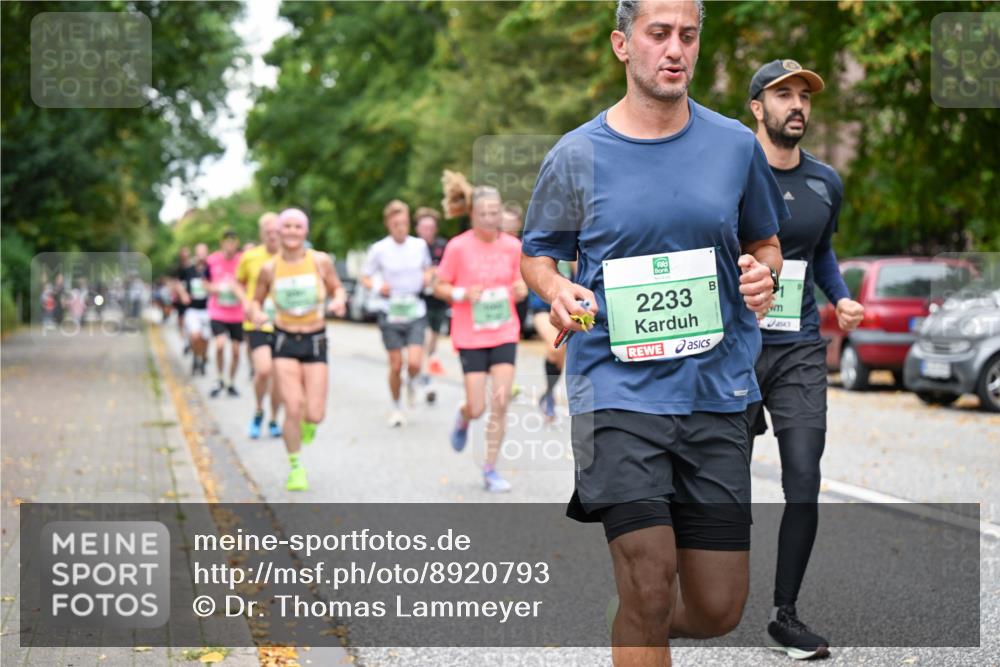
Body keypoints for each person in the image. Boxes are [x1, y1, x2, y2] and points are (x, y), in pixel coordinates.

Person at [520, 2, 788, 664]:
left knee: (720, 607)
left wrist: (763, 275)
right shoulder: (577, 154)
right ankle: (640, 617)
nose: (675, 48)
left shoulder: (733, 146)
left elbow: (766, 243)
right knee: (647, 579)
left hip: (716, 392)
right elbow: (537, 255)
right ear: (623, 44)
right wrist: (557, 290)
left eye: (688, 36)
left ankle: (638, 625)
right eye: (658, 33)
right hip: (615, 391)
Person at [745, 59, 865, 660]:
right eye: (782, 94)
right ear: (756, 108)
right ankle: (698, 591)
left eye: (804, 96)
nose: (797, 104)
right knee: (717, 484)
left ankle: (784, 615)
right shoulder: (731, 173)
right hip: (734, 349)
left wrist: (840, 297)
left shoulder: (825, 182)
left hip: (797, 348)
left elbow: (821, 254)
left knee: (803, 479)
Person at [434, 186, 528, 493]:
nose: (490, 218)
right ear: (473, 215)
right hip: (470, 334)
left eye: (494, 213)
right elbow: (439, 286)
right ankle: (463, 418)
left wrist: (520, 288)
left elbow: (521, 280)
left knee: (500, 402)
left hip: (503, 331)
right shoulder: (458, 247)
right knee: (477, 407)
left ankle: (490, 469)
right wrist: (462, 293)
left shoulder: (513, 246)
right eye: (483, 213)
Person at [251, 208, 347, 492]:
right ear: (278, 232)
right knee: (293, 405)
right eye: (287, 226)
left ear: (305, 231)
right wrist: (256, 313)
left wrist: (339, 301)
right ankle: (295, 467)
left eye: (298, 227)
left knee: (314, 413)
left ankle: (308, 422)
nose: (292, 231)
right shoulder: (269, 268)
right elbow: (255, 301)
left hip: (315, 339)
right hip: (284, 340)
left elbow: (337, 288)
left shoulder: (320, 261)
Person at [361, 200, 433, 427]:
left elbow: (429, 268)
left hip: (414, 310)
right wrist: (376, 287)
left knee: (414, 362)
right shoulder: (379, 249)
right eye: (395, 224)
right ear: (388, 225)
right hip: (389, 310)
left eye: (403, 223)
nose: (400, 228)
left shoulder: (419, 245)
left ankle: (412, 382)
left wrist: (428, 277)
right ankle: (396, 408)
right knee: (395, 364)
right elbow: (365, 276)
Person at [236, 212, 283, 439]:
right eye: (268, 232)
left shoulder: (290, 256)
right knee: (264, 369)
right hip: (256, 322)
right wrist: (246, 301)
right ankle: (258, 410)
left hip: (284, 323)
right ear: (261, 234)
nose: (273, 236)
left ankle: (274, 417)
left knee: (279, 376)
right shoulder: (251, 257)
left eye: (276, 231)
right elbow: (237, 283)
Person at [206, 230, 245, 398]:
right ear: (221, 243)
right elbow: (205, 283)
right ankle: (219, 378)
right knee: (220, 344)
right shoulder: (212, 260)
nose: (230, 245)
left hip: (237, 313)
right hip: (218, 311)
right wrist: (217, 288)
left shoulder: (242, 261)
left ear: (236, 243)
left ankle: (230, 382)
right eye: (227, 241)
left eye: (233, 242)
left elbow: (249, 282)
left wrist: (238, 290)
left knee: (236, 351)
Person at [414, 207, 449, 390]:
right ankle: (419, 369)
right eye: (424, 227)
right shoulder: (412, 247)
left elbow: (447, 270)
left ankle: (427, 365)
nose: (427, 231)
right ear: (417, 228)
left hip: (438, 298)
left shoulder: (443, 246)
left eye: (431, 227)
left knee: (434, 335)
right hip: (417, 299)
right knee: (424, 335)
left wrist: (435, 275)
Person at [177, 244, 211, 375]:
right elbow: (179, 284)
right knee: (195, 336)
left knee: (205, 338)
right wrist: (183, 294)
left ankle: (201, 357)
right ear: (196, 254)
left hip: (208, 309)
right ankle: (196, 357)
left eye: (204, 253)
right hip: (192, 309)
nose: (201, 256)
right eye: (199, 253)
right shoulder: (188, 270)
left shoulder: (210, 269)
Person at [172, 246, 192, 348]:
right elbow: (176, 282)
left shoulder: (193, 267)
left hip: (192, 298)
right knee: (182, 319)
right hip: (181, 299)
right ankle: (185, 339)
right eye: (183, 253)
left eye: (186, 252)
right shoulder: (178, 268)